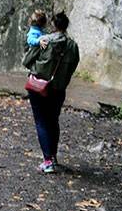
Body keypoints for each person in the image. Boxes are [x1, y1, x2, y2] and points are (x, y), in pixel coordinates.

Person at [22, 11, 80, 174]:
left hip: (39, 87)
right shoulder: (73, 46)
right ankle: (53, 157)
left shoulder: (45, 40)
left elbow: (26, 61)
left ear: (53, 25)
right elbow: (72, 66)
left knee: (41, 121)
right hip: (59, 89)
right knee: (53, 121)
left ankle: (48, 161)